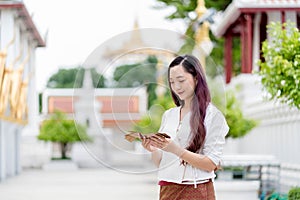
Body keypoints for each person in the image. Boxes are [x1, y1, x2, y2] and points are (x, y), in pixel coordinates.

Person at [141, 55, 229, 200]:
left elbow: (211, 163)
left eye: (181, 80)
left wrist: (176, 150)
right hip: (167, 190)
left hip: (197, 190)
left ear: (196, 78)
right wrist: (154, 149)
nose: (177, 87)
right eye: (172, 82)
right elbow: (161, 163)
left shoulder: (213, 116)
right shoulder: (169, 115)